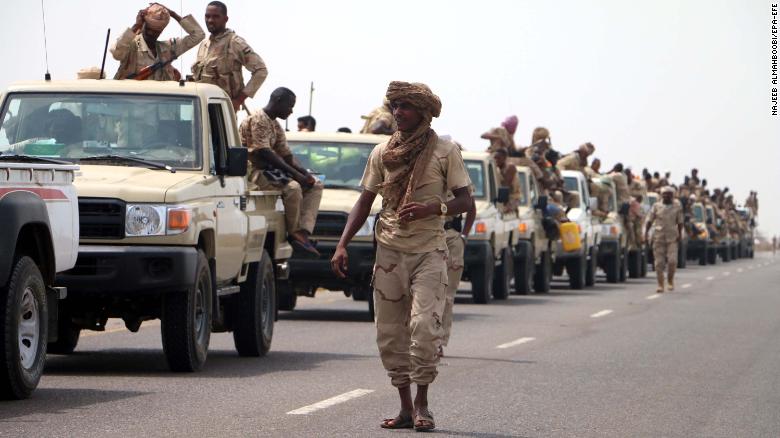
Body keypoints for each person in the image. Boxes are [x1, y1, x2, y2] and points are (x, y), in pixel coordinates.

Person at [331, 81, 472, 432]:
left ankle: (424, 402)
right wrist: (342, 244)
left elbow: (465, 201)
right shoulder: (382, 153)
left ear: (423, 113)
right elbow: (365, 201)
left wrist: (432, 208)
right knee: (391, 334)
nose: (397, 113)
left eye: (405, 107)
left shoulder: (444, 151)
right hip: (390, 251)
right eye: (394, 106)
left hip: (429, 252)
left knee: (423, 328)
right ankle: (405, 407)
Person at [239, 87, 323, 255]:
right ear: (278, 101)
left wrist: (305, 174)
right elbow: (264, 153)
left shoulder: (275, 124)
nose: (291, 111)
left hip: (269, 171)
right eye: (290, 106)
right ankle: (294, 233)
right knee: (292, 188)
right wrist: (296, 175)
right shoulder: (258, 119)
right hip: (253, 171)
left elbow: (286, 155)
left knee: (315, 185)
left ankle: (304, 232)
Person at [191, 1, 269, 111]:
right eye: (207, 16)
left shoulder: (234, 43)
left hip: (222, 110)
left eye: (216, 17)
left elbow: (261, 70)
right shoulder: (204, 44)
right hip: (201, 107)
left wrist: (239, 100)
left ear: (225, 19)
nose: (210, 20)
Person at [111, 3, 205, 81]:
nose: (151, 34)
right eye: (148, 30)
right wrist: (135, 26)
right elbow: (116, 54)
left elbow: (198, 35)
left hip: (160, 101)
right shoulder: (132, 45)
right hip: (130, 100)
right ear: (143, 25)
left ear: (161, 32)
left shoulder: (167, 48)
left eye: (156, 32)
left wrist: (173, 14)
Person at [440, 190, 476, 358]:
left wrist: (464, 236)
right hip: (425, 237)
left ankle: (438, 342)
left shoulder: (458, 177)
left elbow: (471, 206)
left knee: (446, 295)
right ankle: (419, 339)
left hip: (451, 238)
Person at [645, 186, 683, 293]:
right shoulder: (656, 206)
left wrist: (680, 235)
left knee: (672, 261)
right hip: (658, 237)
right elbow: (649, 220)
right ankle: (660, 284)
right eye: (664, 194)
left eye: (669, 194)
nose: (666, 196)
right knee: (658, 263)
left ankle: (670, 280)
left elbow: (680, 222)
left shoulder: (677, 206)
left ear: (672, 196)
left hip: (672, 237)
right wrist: (646, 234)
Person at [493, 148, 521, 212]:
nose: (496, 160)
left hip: (512, 198)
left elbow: (505, 186)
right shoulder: (497, 169)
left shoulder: (510, 167)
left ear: (504, 158)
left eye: (498, 158)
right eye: (495, 158)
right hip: (502, 198)